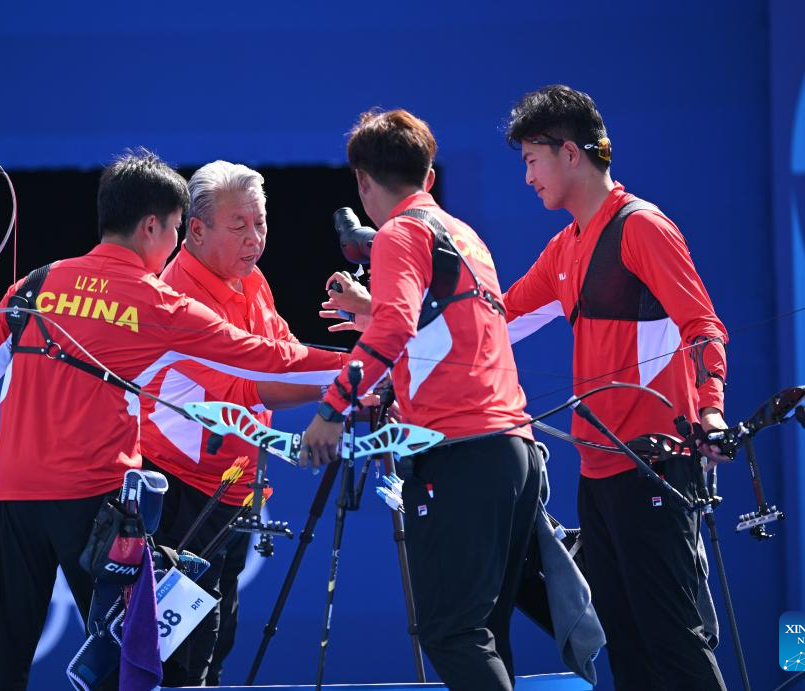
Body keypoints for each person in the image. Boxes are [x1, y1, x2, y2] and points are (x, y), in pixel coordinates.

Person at [0, 149, 347, 691]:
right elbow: (268, 359)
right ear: (151, 226)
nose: (176, 244)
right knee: (124, 670)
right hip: (96, 508)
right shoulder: (157, 302)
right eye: (175, 229)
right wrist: (367, 365)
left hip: (13, 503)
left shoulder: (35, 285)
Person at [302, 109, 543, 691]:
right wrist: (372, 311)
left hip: (461, 453)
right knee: (482, 632)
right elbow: (443, 330)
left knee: (451, 634)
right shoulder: (463, 234)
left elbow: (393, 330)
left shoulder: (400, 233)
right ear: (428, 176)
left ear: (362, 181)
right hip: (512, 450)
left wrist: (331, 411)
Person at [502, 84, 729, 690]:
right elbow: (494, 319)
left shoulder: (642, 227)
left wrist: (710, 411)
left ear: (570, 153)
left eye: (532, 160)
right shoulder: (565, 247)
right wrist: (388, 319)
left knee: (672, 640)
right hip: (598, 475)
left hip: (655, 466)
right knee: (626, 650)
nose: (528, 177)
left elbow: (704, 328)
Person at [139, 160, 324, 686]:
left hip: (234, 488)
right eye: (239, 225)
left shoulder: (250, 278)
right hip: (180, 493)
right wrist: (354, 378)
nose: (255, 238)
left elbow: (285, 350)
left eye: (260, 222)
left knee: (217, 643)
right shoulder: (176, 299)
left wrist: (358, 373)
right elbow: (251, 385)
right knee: (181, 657)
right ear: (196, 230)